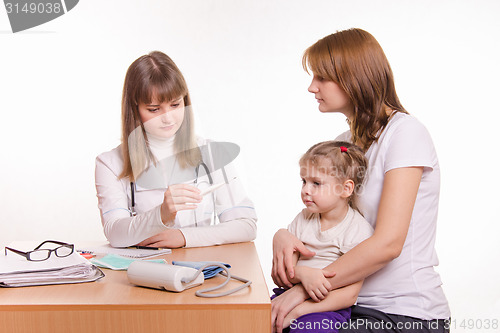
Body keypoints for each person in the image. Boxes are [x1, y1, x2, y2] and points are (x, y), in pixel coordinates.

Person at [271, 28, 450, 333]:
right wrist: (283, 236)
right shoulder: (343, 146)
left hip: (401, 313)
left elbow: (388, 244)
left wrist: (308, 287)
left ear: (354, 77)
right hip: (346, 303)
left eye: (321, 77)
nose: (311, 87)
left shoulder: (405, 133)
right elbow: (328, 223)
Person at [95, 51, 257, 248]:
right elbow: (115, 234)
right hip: (145, 272)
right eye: (154, 109)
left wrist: (184, 237)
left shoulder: (213, 154)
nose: (168, 118)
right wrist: (161, 213)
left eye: (175, 104)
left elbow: (246, 225)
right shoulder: (110, 164)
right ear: (134, 108)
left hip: (202, 271)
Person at [273, 141, 373, 333]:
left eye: (316, 183)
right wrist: (304, 274)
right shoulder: (303, 218)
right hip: (288, 294)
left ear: (346, 189)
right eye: (304, 181)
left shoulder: (357, 229)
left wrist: (299, 311)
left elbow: (349, 295)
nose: (306, 190)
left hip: (326, 307)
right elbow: (287, 271)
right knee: (252, 319)